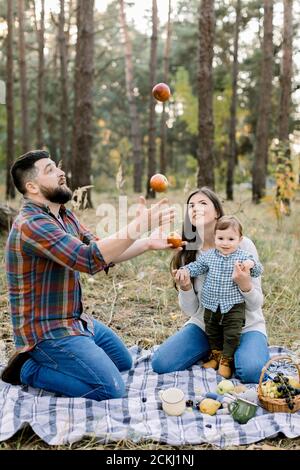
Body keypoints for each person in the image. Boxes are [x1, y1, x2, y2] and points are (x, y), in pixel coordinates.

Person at [1, 150, 176, 401]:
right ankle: (28, 369)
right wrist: (139, 225)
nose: (61, 173)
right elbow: (87, 259)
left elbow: (102, 251)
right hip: (47, 332)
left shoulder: (64, 214)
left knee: (123, 362)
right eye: (50, 170)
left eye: (58, 167)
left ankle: (74, 352)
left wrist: (147, 242)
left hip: (75, 320)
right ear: (32, 186)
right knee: (110, 389)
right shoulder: (32, 224)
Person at [151, 187, 270, 384]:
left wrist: (245, 285)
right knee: (161, 363)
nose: (195, 207)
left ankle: (234, 352)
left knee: (251, 371)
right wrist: (186, 287)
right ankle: (216, 349)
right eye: (191, 205)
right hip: (206, 324)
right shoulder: (188, 253)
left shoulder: (242, 245)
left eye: (202, 203)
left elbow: (256, 304)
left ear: (217, 212)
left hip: (245, 325)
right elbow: (191, 310)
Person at [173, 215, 263, 379]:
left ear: (239, 239)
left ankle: (226, 360)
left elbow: (258, 270)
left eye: (230, 239)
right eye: (221, 238)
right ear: (215, 238)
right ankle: (216, 355)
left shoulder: (243, 256)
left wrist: (251, 266)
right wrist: (184, 272)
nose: (225, 243)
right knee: (212, 331)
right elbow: (195, 267)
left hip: (233, 306)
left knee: (231, 334)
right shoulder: (208, 256)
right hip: (211, 305)